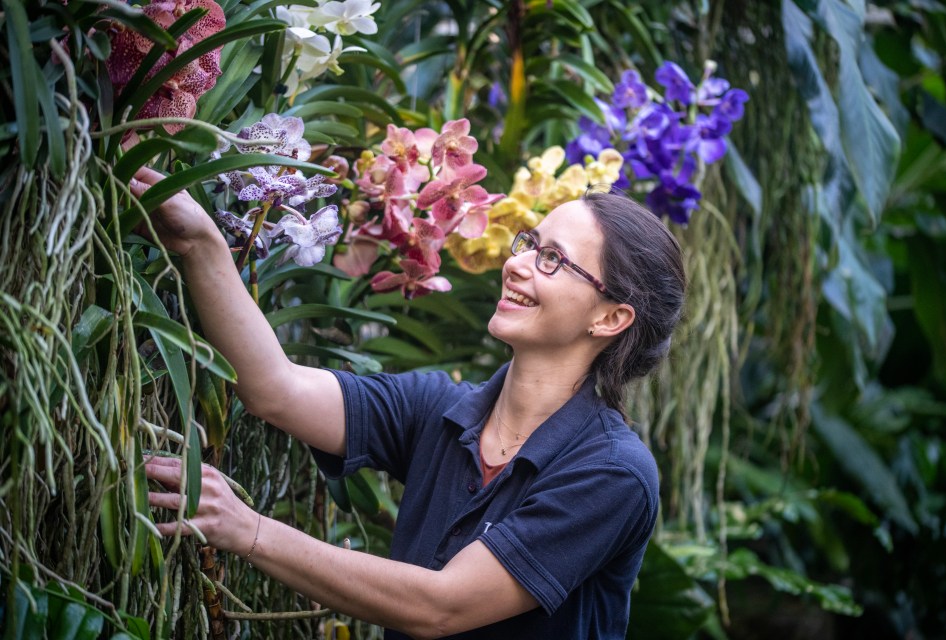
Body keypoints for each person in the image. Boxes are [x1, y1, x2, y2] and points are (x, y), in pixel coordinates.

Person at [134, 166, 686, 639]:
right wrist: (200, 244)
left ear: (609, 318)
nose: (516, 264)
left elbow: (441, 606)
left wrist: (248, 529)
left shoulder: (612, 473)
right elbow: (275, 389)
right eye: (528, 244)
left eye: (552, 260)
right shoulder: (439, 410)